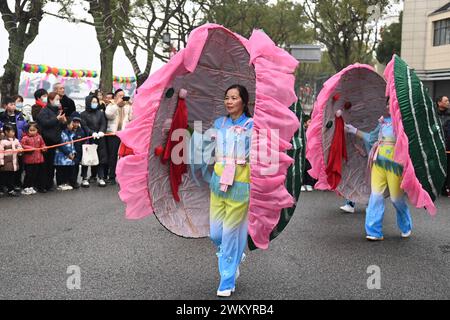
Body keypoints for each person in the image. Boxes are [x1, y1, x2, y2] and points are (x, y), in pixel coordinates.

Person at [345, 97, 412, 241]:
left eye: (392, 103)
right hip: (379, 162)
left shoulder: (405, 122)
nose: (389, 106)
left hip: (395, 164)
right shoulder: (383, 122)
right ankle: (374, 231)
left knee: (396, 198)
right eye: (387, 103)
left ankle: (406, 225)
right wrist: (354, 130)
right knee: (375, 196)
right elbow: (371, 138)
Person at [208, 85, 253, 297]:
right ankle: (234, 254)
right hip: (218, 181)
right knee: (216, 233)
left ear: (244, 101)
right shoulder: (219, 123)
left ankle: (226, 281)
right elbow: (205, 146)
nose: (229, 101)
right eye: (227, 97)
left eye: (234, 98)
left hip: (241, 182)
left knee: (230, 233)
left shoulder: (253, 125)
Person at [36, 92, 67, 191]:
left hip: (55, 140)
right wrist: (56, 119)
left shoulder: (57, 110)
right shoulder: (44, 110)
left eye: (59, 100)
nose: (58, 101)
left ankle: (49, 184)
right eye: (56, 99)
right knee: (44, 164)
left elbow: (62, 126)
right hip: (46, 140)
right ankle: (42, 185)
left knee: (51, 164)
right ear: (51, 100)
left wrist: (63, 121)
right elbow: (44, 123)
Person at [105, 89, 133, 184]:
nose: (122, 97)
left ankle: (122, 176)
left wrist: (132, 104)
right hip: (113, 134)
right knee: (112, 155)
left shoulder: (127, 106)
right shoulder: (111, 105)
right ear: (115, 97)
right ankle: (111, 176)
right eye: (120, 96)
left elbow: (132, 118)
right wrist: (117, 104)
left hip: (124, 134)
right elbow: (109, 115)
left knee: (124, 156)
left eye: (123, 96)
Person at [0, 96, 27, 191]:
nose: (14, 106)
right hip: (5, 145)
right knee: (5, 166)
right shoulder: (1, 117)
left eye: (14, 104)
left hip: (17, 143)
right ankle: (3, 185)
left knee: (18, 165)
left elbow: (25, 128)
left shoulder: (20, 116)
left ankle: (16, 183)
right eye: (11, 104)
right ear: (5, 106)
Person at [80, 95, 108, 187]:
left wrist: (101, 131)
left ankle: (101, 177)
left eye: (96, 102)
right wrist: (92, 133)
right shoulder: (83, 114)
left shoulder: (100, 113)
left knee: (100, 158)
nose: (95, 104)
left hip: (100, 138)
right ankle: (84, 178)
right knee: (87, 158)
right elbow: (84, 126)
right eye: (93, 102)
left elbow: (104, 123)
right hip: (88, 139)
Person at [20, 122, 47, 194]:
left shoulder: (39, 137)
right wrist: (31, 148)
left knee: (35, 174)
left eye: (34, 130)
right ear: (27, 130)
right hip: (29, 160)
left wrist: (44, 148)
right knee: (28, 174)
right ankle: (26, 187)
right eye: (30, 130)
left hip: (38, 159)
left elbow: (43, 144)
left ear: (37, 130)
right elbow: (22, 145)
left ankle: (31, 186)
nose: (32, 132)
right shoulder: (25, 138)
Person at [0, 124, 23, 197]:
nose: (13, 133)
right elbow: (1, 152)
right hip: (6, 162)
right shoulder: (3, 142)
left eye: (14, 131)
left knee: (11, 176)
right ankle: (2, 189)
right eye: (11, 131)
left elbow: (19, 147)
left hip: (14, 162)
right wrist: (1, 162)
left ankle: (11, 190)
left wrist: (20, 151)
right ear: (6, 132)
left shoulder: (16, 140)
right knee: (3, 177)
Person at [54, 118, 77, 191]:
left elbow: (72, 144)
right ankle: (60, 184)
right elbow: (61, 145)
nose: (72, 125)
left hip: (70, 156)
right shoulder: (61, 134)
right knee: (61, 170)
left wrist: (73, 153)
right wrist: (68, 153)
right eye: (71, 124)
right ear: (67, 125)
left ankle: (66, 182)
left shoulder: (71, 133)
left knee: (67, 170)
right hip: (61, 156)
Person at [437, 95, 450, 197]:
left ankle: (445, 188)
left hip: (447, 146)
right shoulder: (433, 116)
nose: (448, 102)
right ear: (439, 103)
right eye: (446, 101)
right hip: (436, 146)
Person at [70, 112, 87, 189]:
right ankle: (68, 181)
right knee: (69, 168)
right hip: (69, 152)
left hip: (78, 152)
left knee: (76, 167)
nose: (76, 124)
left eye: (77, 122)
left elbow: (84, 141)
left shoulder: (81, 131)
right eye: (74, 122)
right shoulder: (68, 130)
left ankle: (74, 181)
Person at [301, 114, 315, 192]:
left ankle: (309, 184)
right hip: (304, 152)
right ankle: (302, 184)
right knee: (302, 169)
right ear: (305, 123)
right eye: (309, 122)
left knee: (310, 168)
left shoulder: (314, 131)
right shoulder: (303, 131)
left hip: (311, 153)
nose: (311, 123)